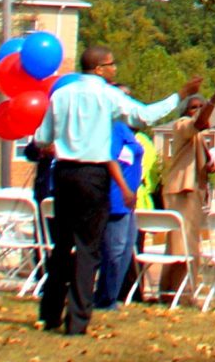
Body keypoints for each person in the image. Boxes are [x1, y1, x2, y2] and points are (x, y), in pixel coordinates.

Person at [37, 48, 193, 336]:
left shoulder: (61, 95)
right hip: (93, 174)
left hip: (64, 173)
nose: (114, 69)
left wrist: (58, 142)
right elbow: (143, 115)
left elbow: (42, 137)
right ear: (98, 68)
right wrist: (178, 96)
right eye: (111, 64)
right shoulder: (107, 95)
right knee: (87, 247)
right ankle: (77, 320)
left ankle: (49, 314)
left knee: (61, 245)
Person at [148, 76, 215, 300]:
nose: (196, 111)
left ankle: (171, 291)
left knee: (185, 243)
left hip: (192, 189)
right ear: (184, 111)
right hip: (182, 190)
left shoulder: (198, 136)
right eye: (192, 108)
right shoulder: (182, 126)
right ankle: (180, 293)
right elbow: (198, 122)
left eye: (199, 107)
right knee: (183, 246)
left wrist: (208, 166)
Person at [96, 121, 146, 310]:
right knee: (114, 251)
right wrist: (124, 189)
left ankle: (109, 297)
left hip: (130, 200)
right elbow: (110, 159)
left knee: (126, 249)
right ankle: (105, 299)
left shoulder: (127, 131)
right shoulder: (112, 128)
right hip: (116, 198)